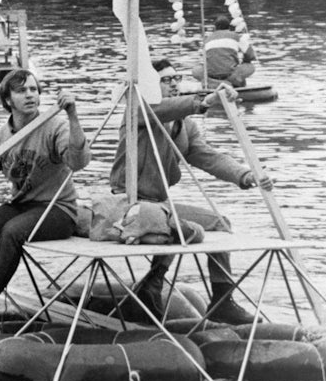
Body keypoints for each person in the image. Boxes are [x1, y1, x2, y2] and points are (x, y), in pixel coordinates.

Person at [109, 58, 262, 325]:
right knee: (179, 226)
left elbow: (207, 157)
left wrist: (244, 175)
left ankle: (222, 301)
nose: (174, 84)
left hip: (160, 204)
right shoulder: (137, 111)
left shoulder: (184, 125)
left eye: (176, 78)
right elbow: (160, 109)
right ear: (150, 87)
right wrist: (205, 101)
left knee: (220, 223)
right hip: (129, 204)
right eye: (166, 80)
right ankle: (153, 284)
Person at [0, 69, 92, 341]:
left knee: (12, 232)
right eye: (22, 91)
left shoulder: (54, 126)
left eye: (34, 90)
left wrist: (73, 116)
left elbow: (78, 161)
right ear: (8, 100)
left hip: (58, 210)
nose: (30, 95)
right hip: (22, 205)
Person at [192, 15, 256, 88]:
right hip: (230, 75)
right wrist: (244, 61)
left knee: (196, 70)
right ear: (229, 27)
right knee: (250, 67)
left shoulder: (207, 40)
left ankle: (213, 82)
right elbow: (251, 55)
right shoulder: (236, 36)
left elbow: (203, 61)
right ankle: (233, 82)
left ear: (215, 28)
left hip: (211, 76)